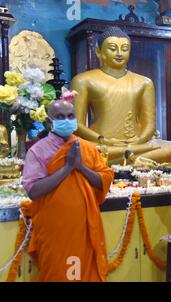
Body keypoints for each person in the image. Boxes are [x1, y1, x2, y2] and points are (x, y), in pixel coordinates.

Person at [22, 100, 114, 282]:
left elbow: (104, 179)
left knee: (85, 276)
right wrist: (67, 168)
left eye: (70, 116)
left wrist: (80, 167)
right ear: (49, 122)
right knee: (60, 275)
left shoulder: (87, 147)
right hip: (55, 230)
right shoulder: (38, 151)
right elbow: (33, 190)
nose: (67, 120)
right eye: (60, 117)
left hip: (85, 228)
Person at [71, 26, 171, 165]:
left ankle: (131, 158)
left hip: (135, 145)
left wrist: (138, 140)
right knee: (82, 153)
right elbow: (77, 125)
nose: (119, 53)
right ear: (98, 51)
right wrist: (102, 139)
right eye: (113, 49)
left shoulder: (144, 82)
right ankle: (134, 160)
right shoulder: (83, 80)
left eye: (125, 49)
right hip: (102, 145)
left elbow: (149, 126)